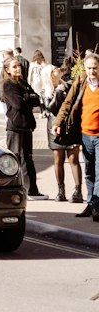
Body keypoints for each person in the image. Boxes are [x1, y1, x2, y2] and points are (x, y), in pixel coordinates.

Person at [53, 51, 99, 219]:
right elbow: (67, 102)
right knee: (89, 172)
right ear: (84, 69)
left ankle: (96, 206)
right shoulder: (81, 81)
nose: (92, 72)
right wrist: (57, 122)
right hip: (85, 135)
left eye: (95, 68)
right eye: (89, 68)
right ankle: (90, 204)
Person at [1, 55, 42, 197]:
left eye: (19, 66)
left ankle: (32, 189)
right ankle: (14, 188)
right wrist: (28, 97)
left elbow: (37, 99)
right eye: (14, 66)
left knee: (28, 158)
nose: (18, 68)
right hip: (15, 127)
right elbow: (17, 104)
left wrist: (27, 97)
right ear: (7, 70)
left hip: (27, 125)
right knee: (15, 158)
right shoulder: (8, 84)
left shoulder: (23, 83)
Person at [46, 60, 83, 204]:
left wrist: (64, 89)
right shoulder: (47, 90)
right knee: (58, 160)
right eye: (54, 70)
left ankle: (78, 191)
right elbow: (51, 108)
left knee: (73, 159)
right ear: (49, 75)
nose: (57, 70)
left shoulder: (68, 85)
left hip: (70, 126)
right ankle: (61, 191)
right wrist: (58, 92)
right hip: (55, 126)